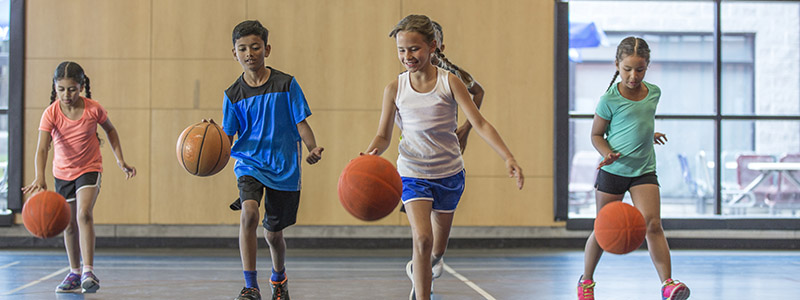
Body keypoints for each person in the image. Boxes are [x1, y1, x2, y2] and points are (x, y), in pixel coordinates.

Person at [363, 14, 523, 300]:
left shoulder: (450, 83)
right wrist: (370, 153)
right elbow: (383, 135)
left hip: (449, 174)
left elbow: (481, 123)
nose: (407, 55)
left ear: (432, 46)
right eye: (401, 50)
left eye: (414, 48)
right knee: (422, 239)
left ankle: (422, 268)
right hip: (412, 173)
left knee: (436, 249)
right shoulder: (394, 89)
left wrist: (507, 157)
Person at [578, 36, 690, 300]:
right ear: (617, 64)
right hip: (613, 171)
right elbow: (597, 135)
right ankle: (587, 281)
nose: (633, 75)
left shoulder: (654, 93)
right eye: (627, 69)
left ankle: (667, 284)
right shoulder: (608, 99)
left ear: (647, 66)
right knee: (602, 229)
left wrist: (647, 135)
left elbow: (638, 123)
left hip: (643, 170)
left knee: (653, 224)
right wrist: (607, 154)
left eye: (639, 69)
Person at [222, 20, 324, 300]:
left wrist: (312, 147)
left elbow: (301, 122)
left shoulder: (286, 84)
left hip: (283, 166)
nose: (249, 53)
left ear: (266, 49)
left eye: (255, 47)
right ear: (235, 53)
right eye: (242, 49)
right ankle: (250, 286)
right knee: (249, 214)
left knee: (273, 234)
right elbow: (227, 137)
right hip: (249, 163)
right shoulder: (232, 95)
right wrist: (212, 145)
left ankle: (279, 278)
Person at [21, 61, 137, 294]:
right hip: (62, 173)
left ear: (82, 86)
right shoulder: (51, 113)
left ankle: (88, 271)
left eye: (72, 89)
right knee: (69, 224)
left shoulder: (93, 109)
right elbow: (43, 148)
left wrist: (119, 160)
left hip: (89, 168)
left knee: (84, 214)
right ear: (55, 87)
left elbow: (111, 130)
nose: (66, 94)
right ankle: (74, 272)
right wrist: (39, 177)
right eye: (61, 89)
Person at [430, 20, 485, 154]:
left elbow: (478, 92)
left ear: (440, 48)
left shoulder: (452, 75)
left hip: (446, 147)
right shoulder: (406, 78)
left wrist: (466, 128)